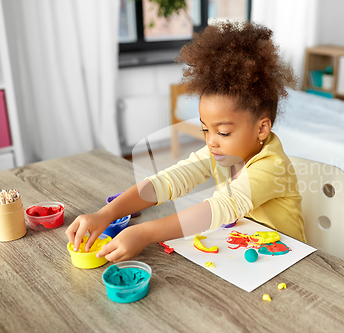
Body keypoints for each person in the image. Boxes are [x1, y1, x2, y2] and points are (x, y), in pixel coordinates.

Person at [65, 20, 305, 263]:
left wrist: (145, 232)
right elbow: (169, 181)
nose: (211, 142)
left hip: (288, 261)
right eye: (205, 130)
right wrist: (106, 213)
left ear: (262, 128)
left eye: (222, 132)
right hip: (245, 250)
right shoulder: (220, 151)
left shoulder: (271, 166)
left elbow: (221, 207)